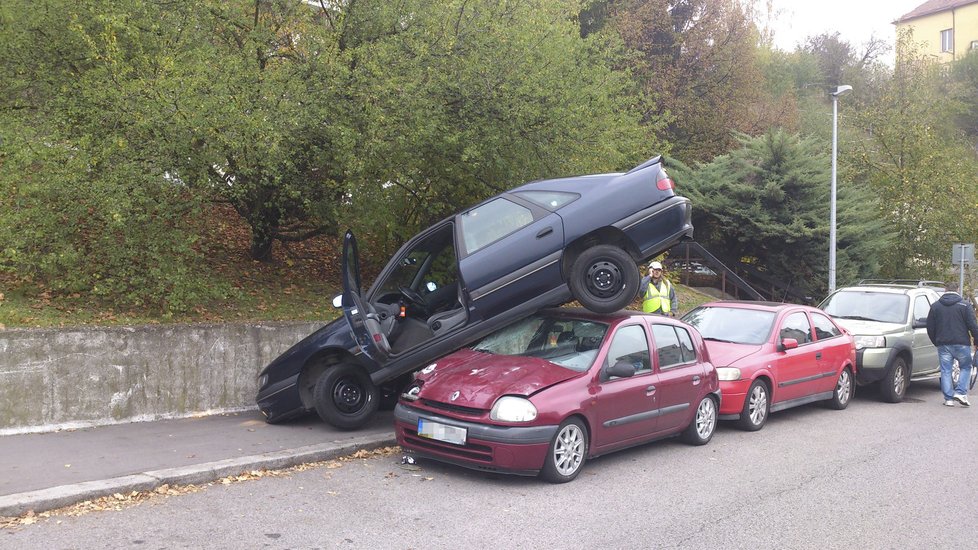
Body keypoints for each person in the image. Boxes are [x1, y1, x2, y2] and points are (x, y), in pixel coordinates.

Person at [926, 283, 978, 407]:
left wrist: (936, 341)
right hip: (962, 343)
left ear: (945, 290)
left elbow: (930, 327)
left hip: (943, 344)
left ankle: (948, 399)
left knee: (945, 370)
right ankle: (960, 392)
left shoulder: (935, 306)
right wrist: (976, 342)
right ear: (958, 290)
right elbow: (973, 326)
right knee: (965, 367)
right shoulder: (965, 305)